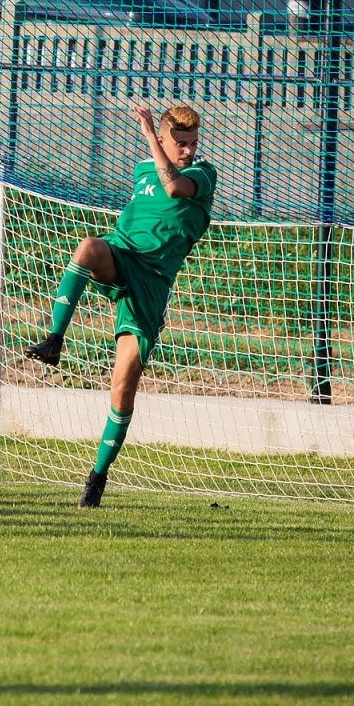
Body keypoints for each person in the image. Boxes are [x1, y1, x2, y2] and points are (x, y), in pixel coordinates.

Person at [24, 105, 217, 509]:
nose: (188, 150)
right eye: (181, 143)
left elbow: (173, 189)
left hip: (152, 284)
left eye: (193, 143)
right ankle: (54, 339)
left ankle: (97, 478)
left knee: (122, 389)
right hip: (123, 255)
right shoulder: (142, 171)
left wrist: (150, 136)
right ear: (164, 140)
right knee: (89, 247)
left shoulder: (202, 174)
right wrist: (153, 141)